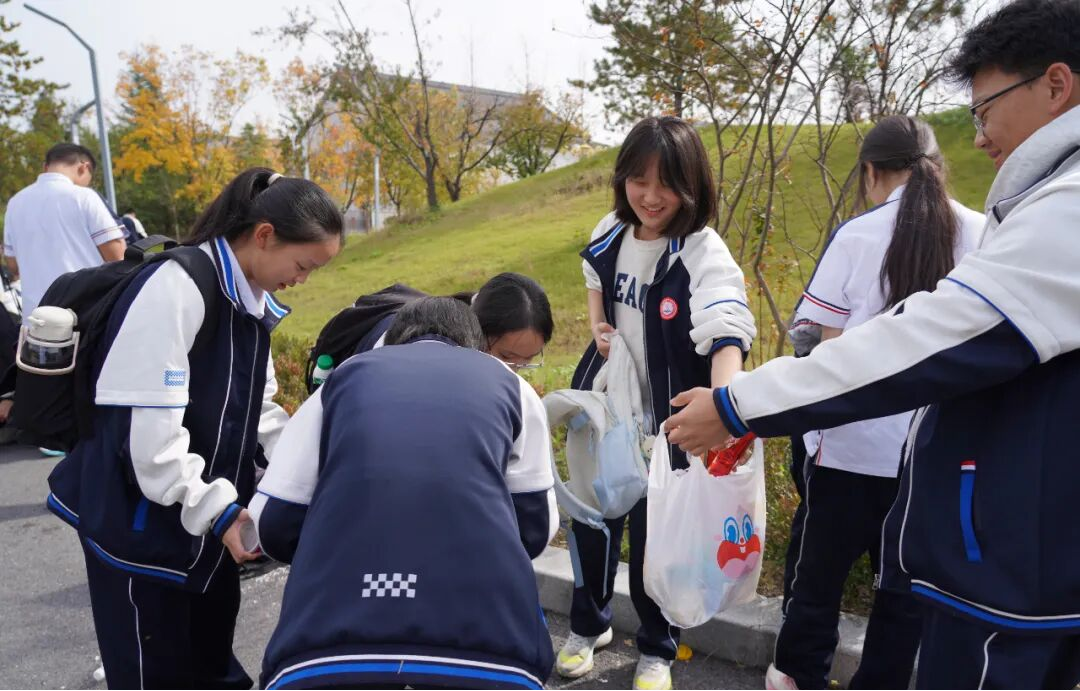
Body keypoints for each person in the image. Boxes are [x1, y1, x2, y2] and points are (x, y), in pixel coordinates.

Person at [667, 1, 1080, 687]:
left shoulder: (1063, 212)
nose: (980, 136)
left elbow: (896, 341)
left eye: (985, 108)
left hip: (998, 560)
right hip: (987, 518)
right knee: (899, 607)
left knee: (816, 587)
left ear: (1056, 85)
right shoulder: (989, 221)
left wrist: (739, 403)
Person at [44, 168, 344, 689]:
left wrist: (314, 462)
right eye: (303, 265)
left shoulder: (248, 302)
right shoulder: (177, 287)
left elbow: (260, 409)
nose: (302, 280)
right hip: (140, 532)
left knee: (208, 664)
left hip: (199, 528)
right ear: (265, 235)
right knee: (153, 673)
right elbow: (150, 446)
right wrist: (221, 511)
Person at [767, 116, 985, 691]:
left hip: (848, 446)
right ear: (937, 168)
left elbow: (815, 341)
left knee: (818, 580)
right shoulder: (984, 232)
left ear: (870, 172)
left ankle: (798, 679)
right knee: (904, 591)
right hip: (936, 453)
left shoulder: (858, 235)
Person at [253, 296, 558, 690]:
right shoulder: (511, 386)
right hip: (491, 651)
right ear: (475, 345)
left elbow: (274, 521)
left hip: (326, 650)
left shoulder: (342, 381)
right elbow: (536, 527)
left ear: (392, 341)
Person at [560, 115, 756, 691]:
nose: (649, 196)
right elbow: (593, 273)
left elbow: (727, 330)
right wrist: (599, 325)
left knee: (655, 539)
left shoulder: (700, 250)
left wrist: (722, 407)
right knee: (593, 522)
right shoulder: (612, 229)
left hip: (666, 428)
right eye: (637, 180)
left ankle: (656, 649)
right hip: (606, 412)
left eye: (665, 182)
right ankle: (587, 626)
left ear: (691, 184)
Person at [3, 143, 126, 319]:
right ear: (84, 168)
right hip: (85, 316)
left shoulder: (15, 203)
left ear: (45, 167)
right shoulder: (84, 196)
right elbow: (118, 257)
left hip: (36, 320)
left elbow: (13, 265)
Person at [352, 272, 553, 371]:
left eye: (528, 360)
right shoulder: (423, 351)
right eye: (506, 356)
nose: (514, 372)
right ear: (477, 331)